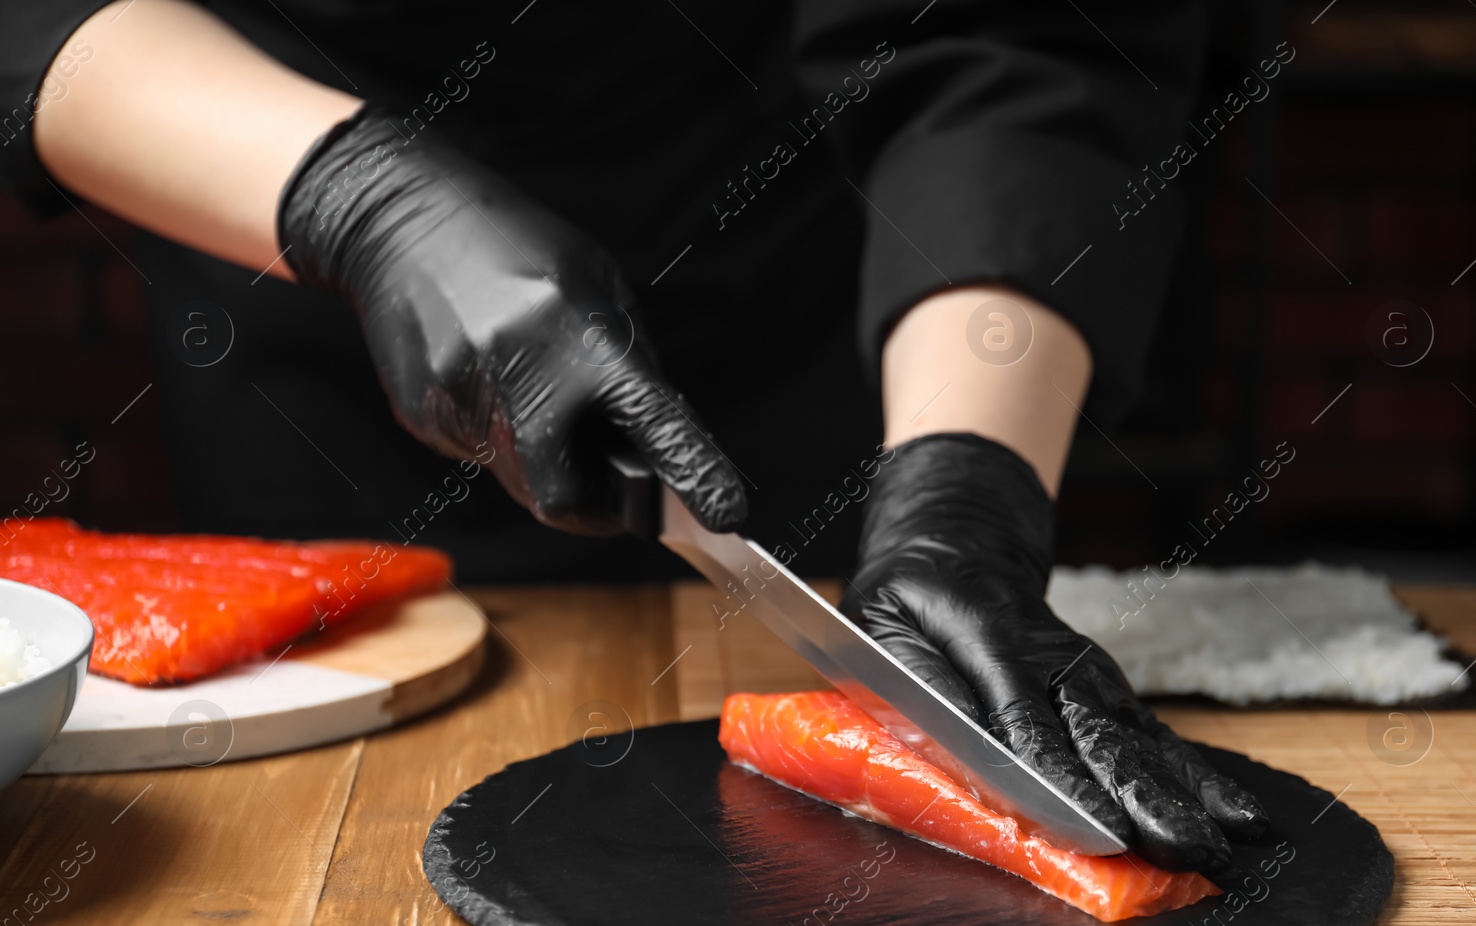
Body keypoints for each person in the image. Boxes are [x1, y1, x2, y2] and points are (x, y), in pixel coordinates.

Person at [1, 0, 1265, 870]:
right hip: (293, 282)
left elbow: (1015, 35)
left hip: (835, 327)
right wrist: (354, 199)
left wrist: (963, 482)